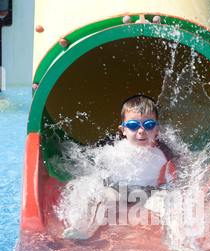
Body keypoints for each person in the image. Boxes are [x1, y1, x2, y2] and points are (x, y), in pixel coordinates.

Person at [51, 95, 176, 239]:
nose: (141, 131)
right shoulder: (112, 146)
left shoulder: (164, 151)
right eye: (133, 126)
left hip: (151, 192)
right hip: (118, 189)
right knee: (106, 198)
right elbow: (83, 153)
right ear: (123, 130)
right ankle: (82, 227)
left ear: (157, 128)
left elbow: (179, 165)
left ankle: (178, 238)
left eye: (148, 125)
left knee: (166, 201)